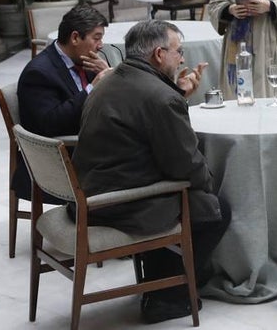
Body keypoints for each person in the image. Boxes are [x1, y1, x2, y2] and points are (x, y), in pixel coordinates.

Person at [71, 20, 230, 325]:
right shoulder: (161, 97)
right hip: (119, 203)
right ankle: (168, 296)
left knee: (186, 195)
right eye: (178, 52)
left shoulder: (109, 80)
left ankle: (167, 279)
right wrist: (208, 182)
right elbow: (186, 165)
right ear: (159, 54)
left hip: (90, 189)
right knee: (214, 208)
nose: (181, 59)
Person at [14, 5, 113, 200]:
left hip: (91, 147)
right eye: (96, 37)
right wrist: (92, 89)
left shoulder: (87, 61)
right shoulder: (39, 73)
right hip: (61, 162)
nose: (101, 45)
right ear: (75, 38)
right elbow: (51, 123)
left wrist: (110, 73)